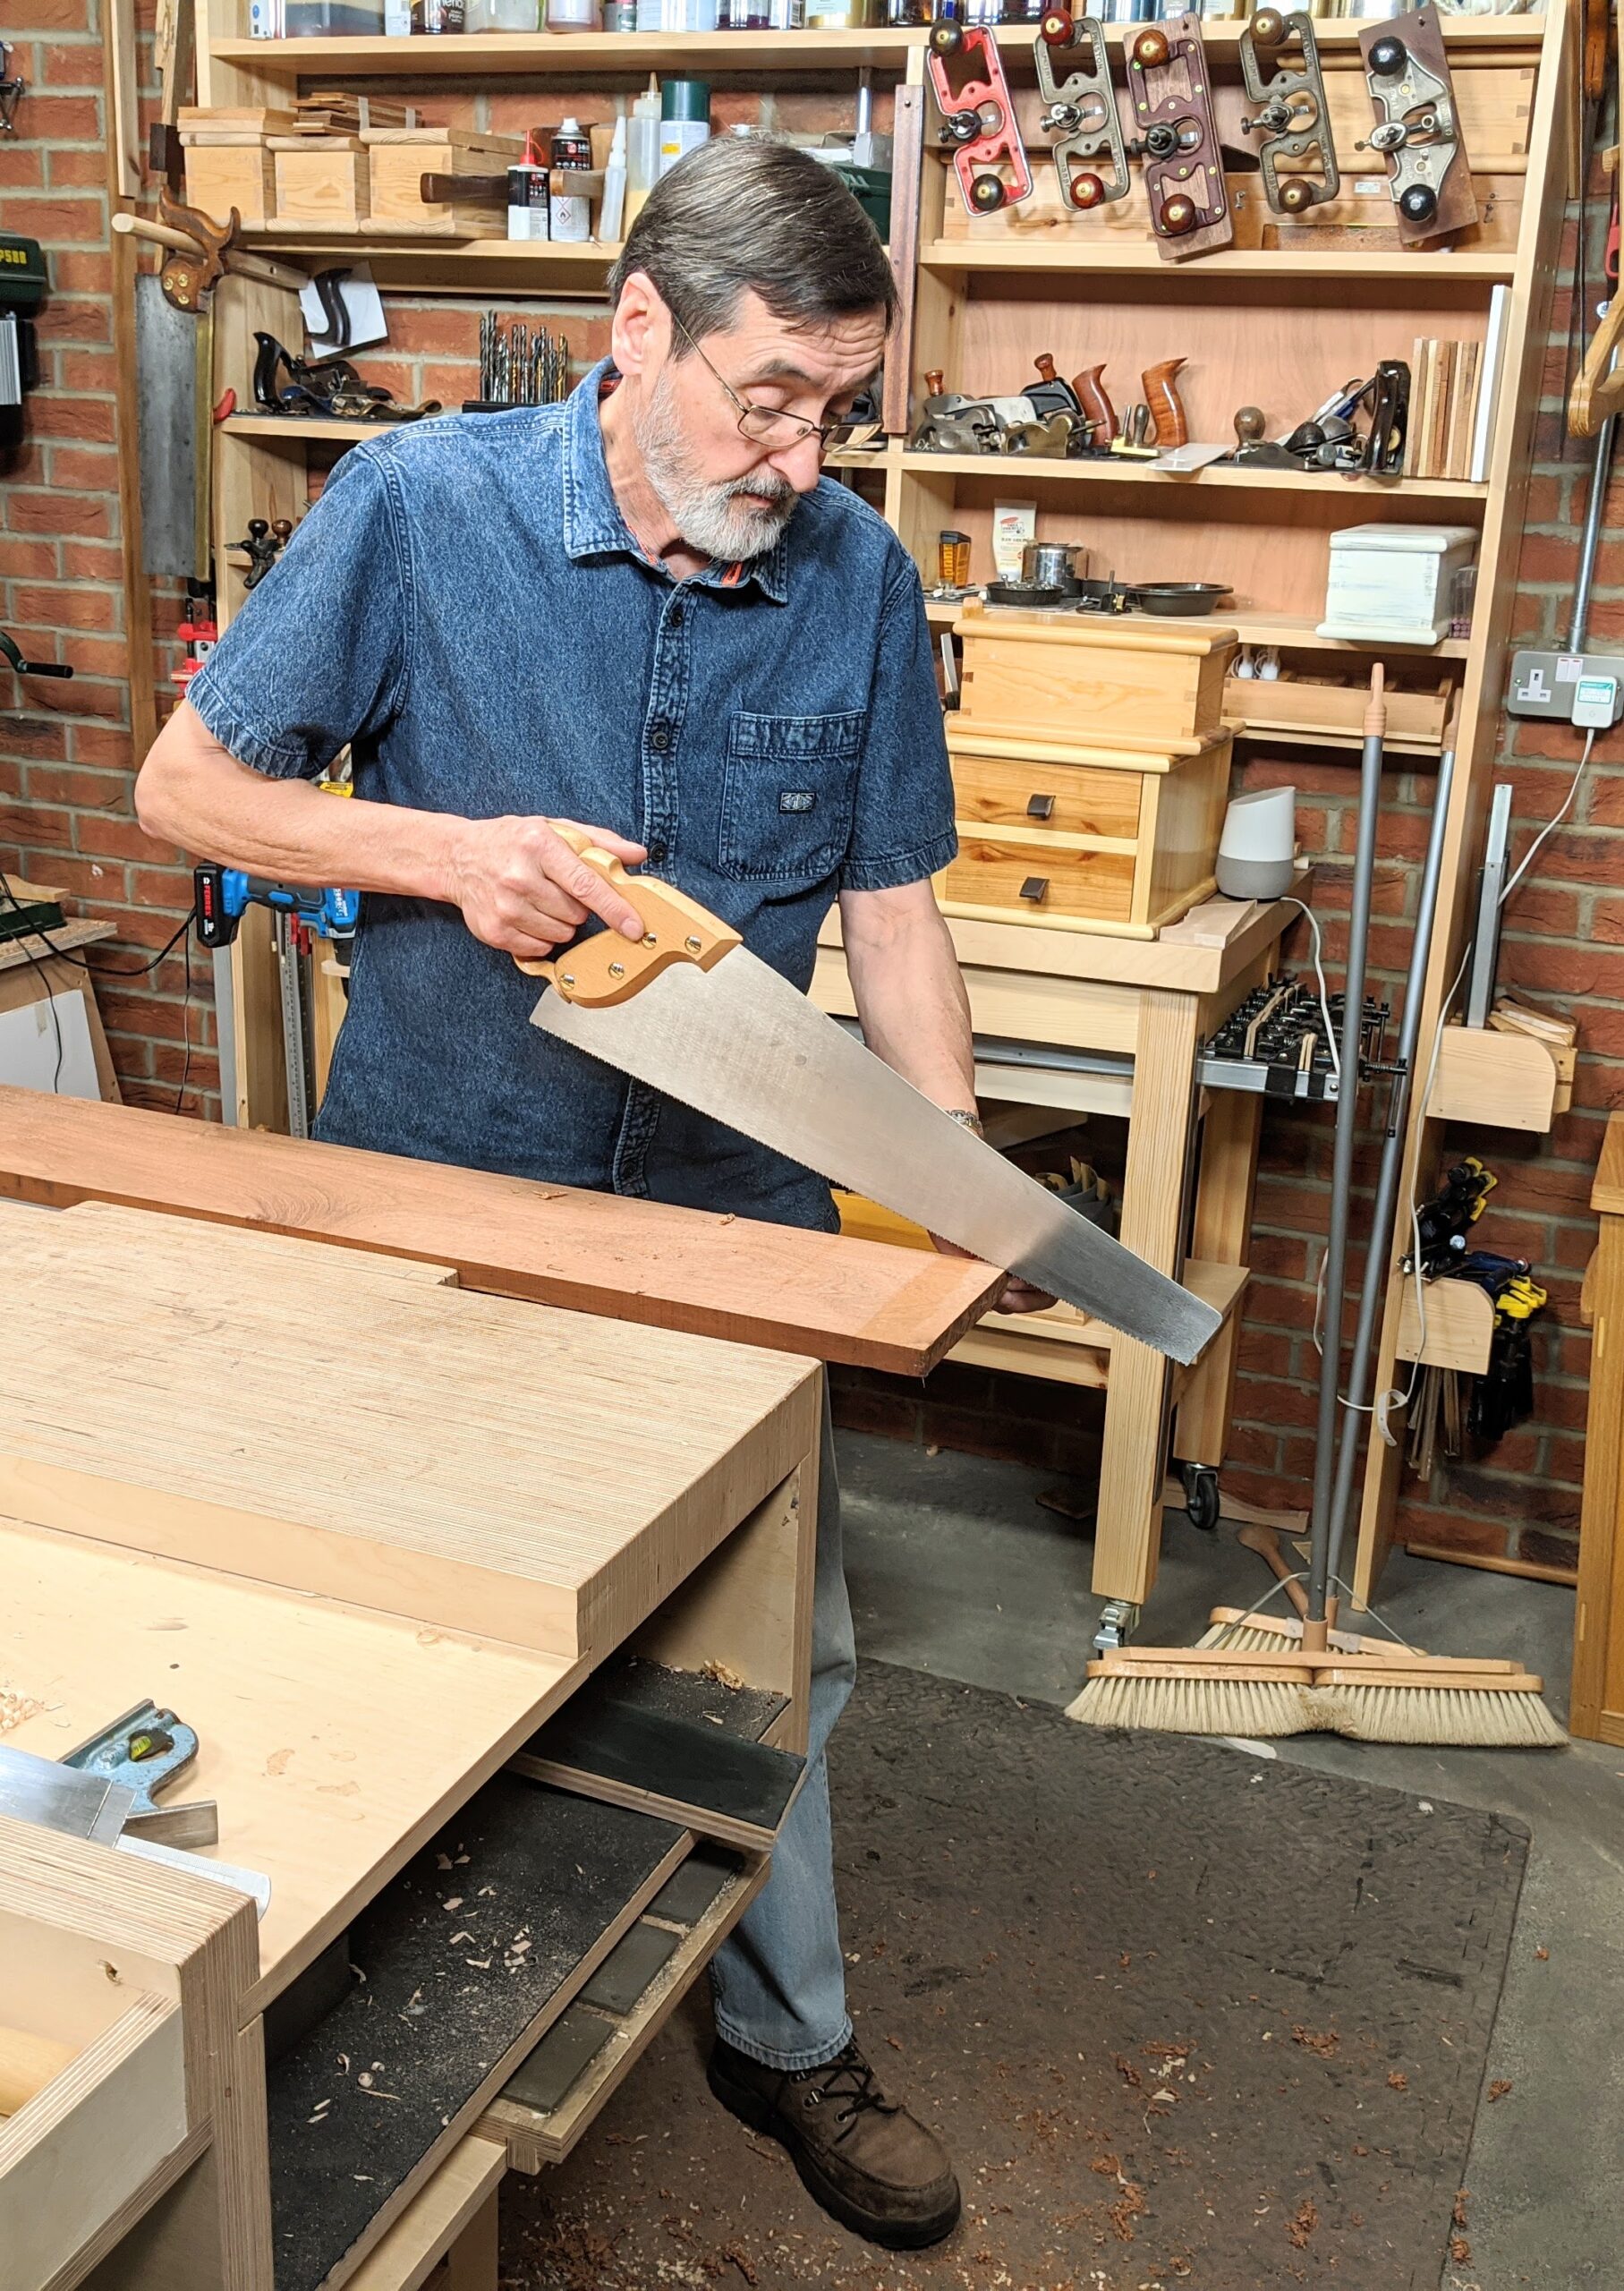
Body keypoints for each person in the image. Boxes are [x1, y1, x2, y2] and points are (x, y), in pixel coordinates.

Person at [137, 133, 1042, 2253]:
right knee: (411, 1638)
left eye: (838, 410)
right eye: (769, 400)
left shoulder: (852, 571)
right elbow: (187, 785)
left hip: (725, 1219)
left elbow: (892, 906)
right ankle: (351, 2028)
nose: (804, 458)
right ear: (638, 329)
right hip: (442, 1201)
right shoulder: (417, 505)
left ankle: (787, 2033)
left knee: (774, 1646)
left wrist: (956, 1167)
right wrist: (445, 851)